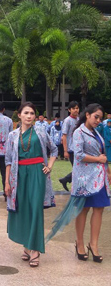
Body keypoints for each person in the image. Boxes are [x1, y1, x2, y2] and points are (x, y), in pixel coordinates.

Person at [46, 104, 110, 264]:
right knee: (83, 209)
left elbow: (101, 152)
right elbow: (79, 155)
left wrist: (107, 171)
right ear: (87, 115)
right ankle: (80, 243)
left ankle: (93, 244)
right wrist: (99, 160)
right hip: (84, 178)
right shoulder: (79, 132)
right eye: (96, 116)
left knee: (99, 209)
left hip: (99, 176)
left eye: (100, 118)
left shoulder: (97, 132)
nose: (98, 120)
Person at [5, 102, 57, 268]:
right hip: (18, 175)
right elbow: (8, 160)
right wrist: (7, 182)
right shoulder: (12, 135)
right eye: (26, 113)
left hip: (37, 174)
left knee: (35, 209)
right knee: (23, 210)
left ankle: (35, 250)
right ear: (19, 115)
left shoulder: (41, 132)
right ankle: (27, 246)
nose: (29, 116)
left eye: (32, 113)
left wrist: (49, 166)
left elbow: (54, 150)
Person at [59, 101, 80, 191]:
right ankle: (68, 181)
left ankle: (66, 180)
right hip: (71, 149)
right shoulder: (67, 121)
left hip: (79, 148)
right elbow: (64, 136)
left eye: (77, 108)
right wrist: (65, 150)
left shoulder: (79, 119)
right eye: (74, 108)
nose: (76, 110)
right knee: (78, 169)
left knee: (79, 169)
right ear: (69, 110)